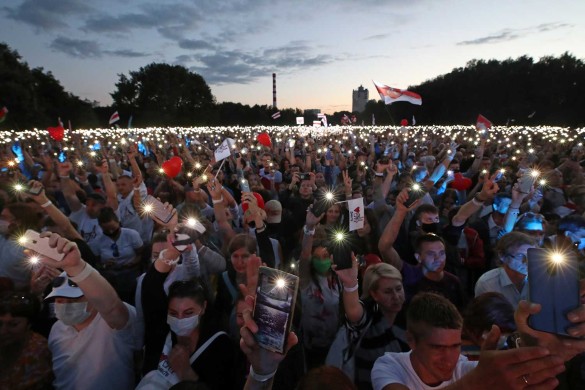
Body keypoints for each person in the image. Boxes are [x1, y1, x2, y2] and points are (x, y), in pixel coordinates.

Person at [371, 292, 568, 390]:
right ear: (411, 341)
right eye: (438, 348)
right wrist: (475, 383)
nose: (449, 358)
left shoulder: (464, 368)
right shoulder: (390, 365)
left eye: (455, 346)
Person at [37, 232, 137, 390]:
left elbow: (111, 307)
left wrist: (76, 267)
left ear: (91, 297)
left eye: (74, 299)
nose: (65, 304)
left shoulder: (114, 325)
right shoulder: (57, 330)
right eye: (60, 299)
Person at [333, 256, 408, 389]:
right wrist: (350, 284)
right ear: (374, 294)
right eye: (388, 291)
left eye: (398, 288)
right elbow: (354, 313)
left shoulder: (410, 313)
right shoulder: (369, 312)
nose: (396, 297)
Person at [0, 291, 53, 389]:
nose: (2, 331)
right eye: (0, 324)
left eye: (13, 325)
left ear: (29, 324)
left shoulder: (37, 351)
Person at [474, 232, 535, 309]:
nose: (526, 261)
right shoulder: (487, 283)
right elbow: (487, 318)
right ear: (502, 256)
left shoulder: (540, 279)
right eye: (520, 256)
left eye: (530, 256)